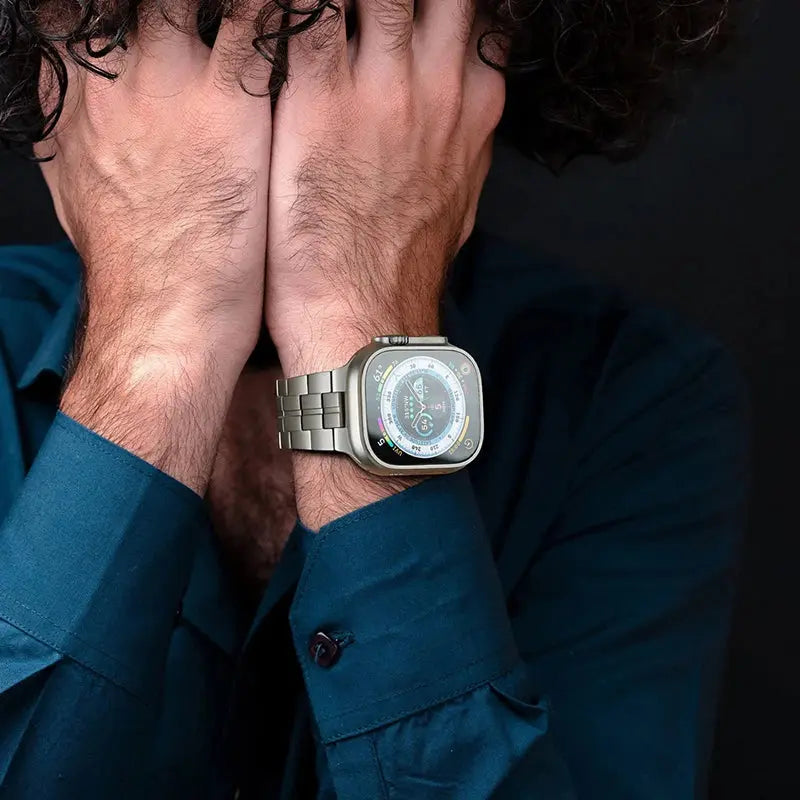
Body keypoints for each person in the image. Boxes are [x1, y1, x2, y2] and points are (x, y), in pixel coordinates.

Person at [0, 1, 747, 797]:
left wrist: (355, 314)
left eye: (346, 50)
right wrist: (156, 334)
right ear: (65, 74)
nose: (261, 135)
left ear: (464, 74)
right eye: (205, 37)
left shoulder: (627, 394)